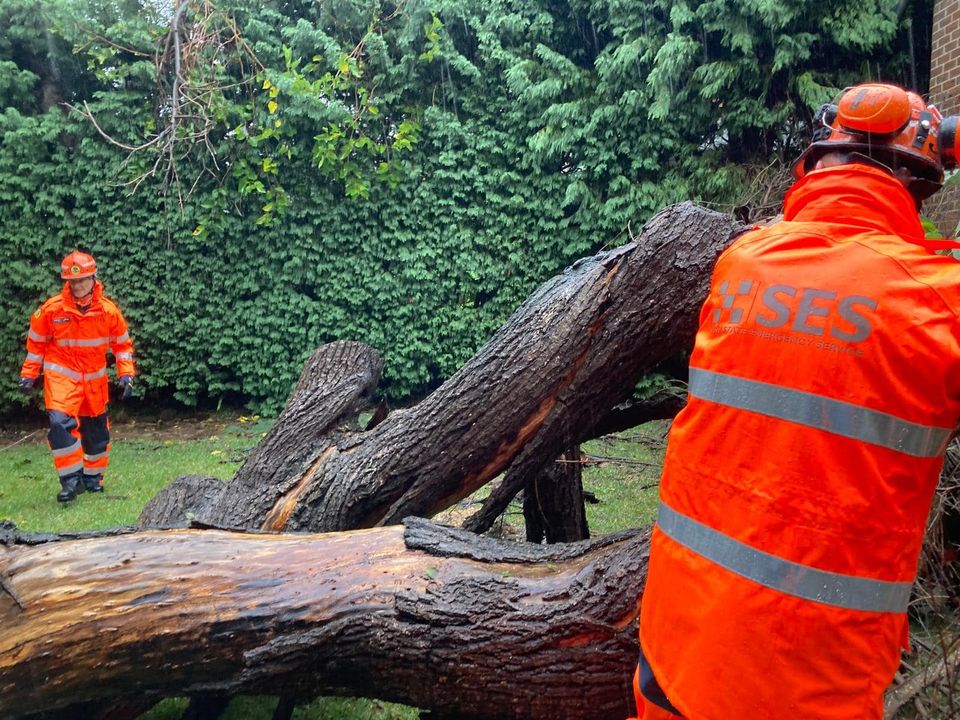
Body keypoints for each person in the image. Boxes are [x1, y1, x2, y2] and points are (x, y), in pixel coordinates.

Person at [634, 82, 960, 719]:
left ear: (817, 160)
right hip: (801, 692)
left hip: (668, 659)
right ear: (920, 185)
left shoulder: (742, 261)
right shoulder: (937, 303)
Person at [19, 251, 135, 502]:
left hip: (94, 382)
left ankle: (93, 480)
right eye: (73, 281)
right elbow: (36, 345)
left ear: (93, 278)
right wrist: (28, 375)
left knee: (96, 432)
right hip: (62, 379)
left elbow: (122, 345)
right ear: (67, 282)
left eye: (82, 280)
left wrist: (126, 374)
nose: (78, 285)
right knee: (60, 424)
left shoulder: (108, 311)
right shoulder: (51, 310)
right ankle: (71, 482)